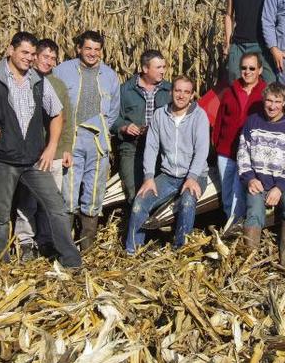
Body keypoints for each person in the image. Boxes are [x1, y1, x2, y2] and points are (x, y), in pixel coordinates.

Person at [0, 32, 81, 268]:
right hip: (3, 159)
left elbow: (57, 113)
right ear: (10, 50)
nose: (29, 58)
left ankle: (71, 260)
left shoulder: (39, 82)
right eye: (24, 53)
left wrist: (51, 147)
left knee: (57, 208)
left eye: (32, 54)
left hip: (34, 160)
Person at [126, 76, 210, 254]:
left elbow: (202, 150)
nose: (181, 95)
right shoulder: (160, 115)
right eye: (178, 90)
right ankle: (133, 250)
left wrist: (192, 177)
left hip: (195, 176)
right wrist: (149, 178)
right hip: (168, 175)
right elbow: (151, 147)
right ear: (171, 92)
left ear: (192, 95)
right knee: (140, 202)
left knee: (187, 202)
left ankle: (181, 250)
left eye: (186, 92)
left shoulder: (199, 116)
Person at [54, 30, 120, 251]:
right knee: (68, 191)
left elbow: (113, 112)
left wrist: (102, 131)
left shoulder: (110, 76)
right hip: (71, 140)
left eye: (97, 49)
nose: (92, 53)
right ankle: (65, 245)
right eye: (88, 48)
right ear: (79, 49)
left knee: (93, 192)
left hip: (98, 141)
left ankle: (87, 244)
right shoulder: (62, 71)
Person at [13, 39, 73, 260]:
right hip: (32, 155)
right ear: (35, 57)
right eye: (44, 56)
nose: (48, 61)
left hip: (54, 154)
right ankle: (25, 241)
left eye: (53, 58)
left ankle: (47, 240)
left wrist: (65, 147)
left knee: (52, 201)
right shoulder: (22, 82)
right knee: (27, 200)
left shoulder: (57, 85)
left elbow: (67, 118)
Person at [236, 82, 285, 265]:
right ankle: (249, 262)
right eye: (269, 101)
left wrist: (280, 188)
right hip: (257, 181)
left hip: (281, 182)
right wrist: (249, 179)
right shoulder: (252, 122)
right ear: (263, 100)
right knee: (255, 213)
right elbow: (242, 153)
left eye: (277, 101)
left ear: (284, 103)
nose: (272, 106)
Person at [211, 52, 266, 225]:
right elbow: (220, 120)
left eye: (252, 68)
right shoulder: (229, 92)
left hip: (249, 155)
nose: (247, 71)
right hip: (226, 152)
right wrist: (217, 144)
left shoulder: (265, 94)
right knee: (227, 192)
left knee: (239, 192)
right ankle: (230, 223)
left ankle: (237, 226)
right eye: (244, 68)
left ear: (260, 70)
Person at [113, 49, 172, 203]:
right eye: (158, 68)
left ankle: (154, 225)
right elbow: (112, 119)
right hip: (132, 148)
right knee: (134, 193)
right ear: (145, 69)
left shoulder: (170, 90)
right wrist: (125, 127)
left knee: (158, 194)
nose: (163, 71)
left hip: (161, 149)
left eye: (164, 67)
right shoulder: (124, 91)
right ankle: (137, 226)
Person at [224, 0, 276, 83]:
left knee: (270, 81)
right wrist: (227, 42)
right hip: (239, 43)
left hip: (261, 43)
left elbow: (278, 9)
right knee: (234, 78)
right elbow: (229, 15)